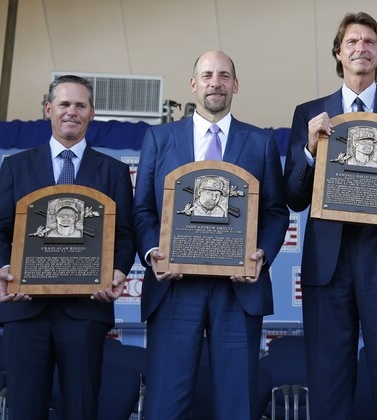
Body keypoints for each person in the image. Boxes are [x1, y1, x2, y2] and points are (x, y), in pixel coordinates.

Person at [283, 12, 377, 419]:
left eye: (369, 42)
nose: (361, 48)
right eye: (352, 42)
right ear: (338, 52)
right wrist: (311, 151)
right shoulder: (310, 113)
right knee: (328, 379)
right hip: (329, 262)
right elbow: (294, 196)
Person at [133, 50, 289, 419]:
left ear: (235, 85)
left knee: (237, 406)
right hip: (174, 287)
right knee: (164, 406)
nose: (214, 83)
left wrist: (261, 255)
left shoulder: (261, 142)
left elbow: (275, 212)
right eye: (206, 76)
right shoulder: (158, 139)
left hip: (238, 290)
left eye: (223, 76)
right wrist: (154, 252)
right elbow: (142, 210)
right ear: (193, 84)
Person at [0, 75, 135, 419]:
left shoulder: (114, 171)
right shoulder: (16, 166)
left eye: (81, 105)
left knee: (82, 408)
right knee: (24, 410)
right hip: (25, 310)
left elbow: (125, 235)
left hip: (85, 311)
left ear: (92, 113)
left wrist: (118, 271)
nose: (72, 112)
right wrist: (4, 269)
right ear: (49, 110)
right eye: (64, 104)